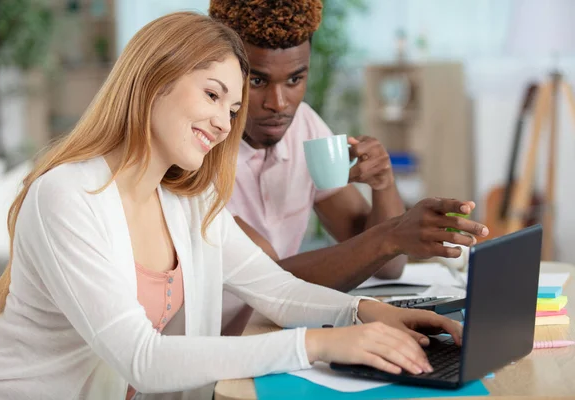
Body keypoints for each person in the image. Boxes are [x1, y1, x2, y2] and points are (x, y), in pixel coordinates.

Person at [0, 12, 463, 400]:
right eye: (212, 95)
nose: (225, 124)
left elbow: (276, 290)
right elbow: (141, 358)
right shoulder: (68, 195)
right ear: (153, 80)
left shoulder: (188, 198)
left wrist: (366, 313)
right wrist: (319, 343)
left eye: (232, 109)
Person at [209, 0, 489, 335]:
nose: (279, 103)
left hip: (273, 332)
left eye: (295, 79)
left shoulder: (304, 127)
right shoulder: (202, 152)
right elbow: (271, 283)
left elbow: (389, 267)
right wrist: (391, 235)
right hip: (220, 347)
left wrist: (383, 184)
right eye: (257, 81)